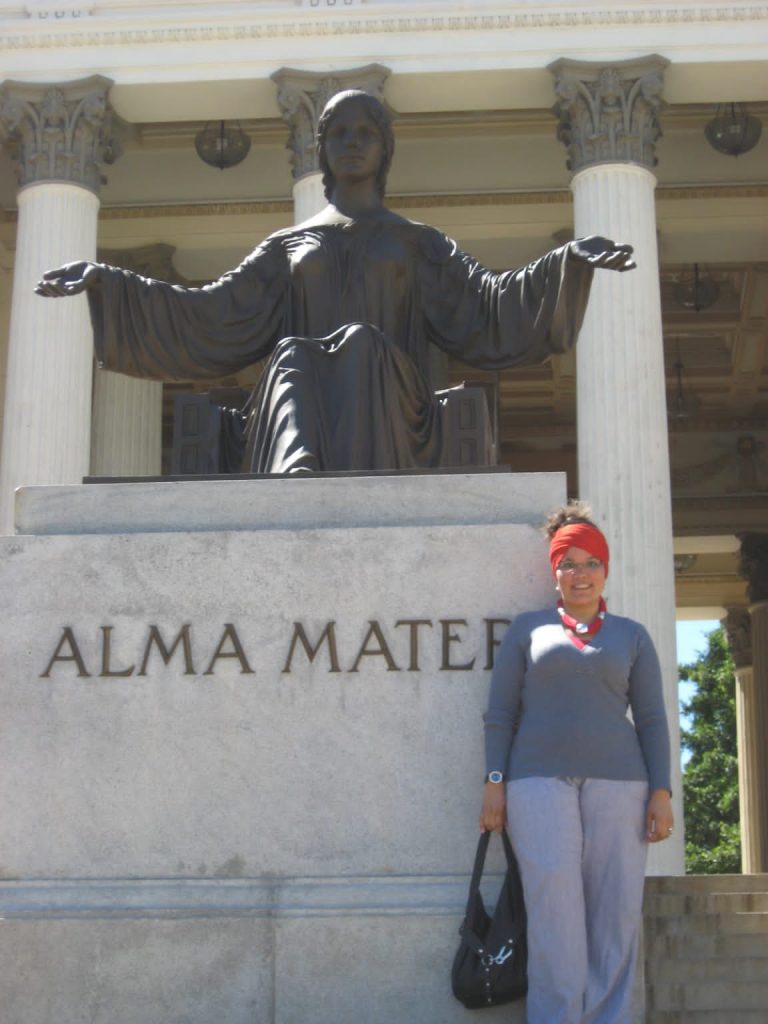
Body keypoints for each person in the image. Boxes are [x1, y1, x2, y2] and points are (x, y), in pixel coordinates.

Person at [35, 91, 635, 474]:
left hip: (397, 415)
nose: (352, 143)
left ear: (384, 148)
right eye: (339, 133)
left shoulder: (416, 242)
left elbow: (485, 303)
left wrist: (567, 263)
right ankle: (298, 478)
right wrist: (107, 285)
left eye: (365, 133)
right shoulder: (287, 248)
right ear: (321, 149)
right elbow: (209, 316)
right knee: (293, 354)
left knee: (361, 343)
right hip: (295, 398)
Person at [480, 501, 673, 1024]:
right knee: (554, 918)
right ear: (555, 571)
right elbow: (499, 714)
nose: (580, 573)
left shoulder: (632, 635)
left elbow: (653, 719)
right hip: (536, 784)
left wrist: (662, 790)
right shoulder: (528, 629)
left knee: (614, 916)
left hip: (623, 786)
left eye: (591, 562)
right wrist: (494, 781)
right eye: (569, 562)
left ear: (605, 569)